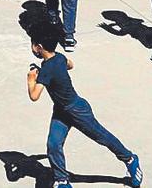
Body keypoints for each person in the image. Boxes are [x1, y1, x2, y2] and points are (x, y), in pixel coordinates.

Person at [26, 21, 143, 188]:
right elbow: (70, 65)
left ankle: (130, 158)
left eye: (32, 44)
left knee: (102, 137)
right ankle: (62, 180)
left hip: (77, 110)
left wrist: (31, 80)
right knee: (53, 144)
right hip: (62, 110)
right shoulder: (58, 57)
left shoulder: (46, 69)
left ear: (38, 47)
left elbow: (34, 95)